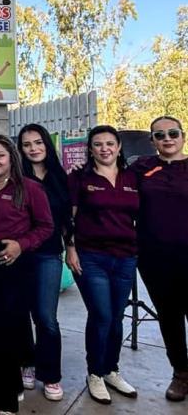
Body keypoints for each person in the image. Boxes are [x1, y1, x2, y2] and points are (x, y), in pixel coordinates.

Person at [0, 135, 53, 415]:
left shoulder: (30, 189)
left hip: (17, 264)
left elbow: (46, 227)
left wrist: (20, 246)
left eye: (0, 155)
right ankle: (20, 377)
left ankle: (4, 402)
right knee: (11, 327)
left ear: (11, 158)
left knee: (2, 333)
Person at [66, 125, 139, 406]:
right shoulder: (81, 178)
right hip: (91, 256)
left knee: (117, 317)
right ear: (90, 149)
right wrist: (70, 249)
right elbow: (68, 217)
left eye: (110, 143)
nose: (104, 149)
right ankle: (94, 373)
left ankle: (111, 369)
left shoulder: (133, 177)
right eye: (98, 144)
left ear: (119, 147)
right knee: (102, 315)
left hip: (125, 257)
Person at [131, 116, 188, 402]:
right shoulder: (141, 167)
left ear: (182, 136)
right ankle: (181, 373)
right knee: (170, 316)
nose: (167, 139)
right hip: (154, 257)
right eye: (160, 135)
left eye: (173, 133)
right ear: (152, 140)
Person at [16, 124, 71, 401]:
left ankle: (51, 375)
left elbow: (66, 220)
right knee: (23, 312)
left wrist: (70, 247)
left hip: (49, 254)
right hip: (20, 254)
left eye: (38, 143)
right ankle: (27, 363)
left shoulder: (60, 177)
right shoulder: (17, 177)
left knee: (47, 317)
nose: (33, 148)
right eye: (27, 145)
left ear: (46, 145)